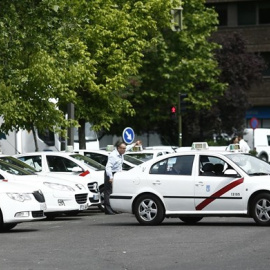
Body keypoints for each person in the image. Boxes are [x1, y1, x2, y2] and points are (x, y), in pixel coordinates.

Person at [104, 140, 142, 215]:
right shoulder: (113, 155)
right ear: (118, 148)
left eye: (125, 148)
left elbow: (128, 147)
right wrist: (111, 177)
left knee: (114, 191)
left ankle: (113, 208)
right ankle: (108, 209)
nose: (125, 150)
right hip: (110, 173)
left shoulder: (121, 152)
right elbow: (108, 167)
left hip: (117, 173)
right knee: (108, 191)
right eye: (123, 149)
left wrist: (135, 144)